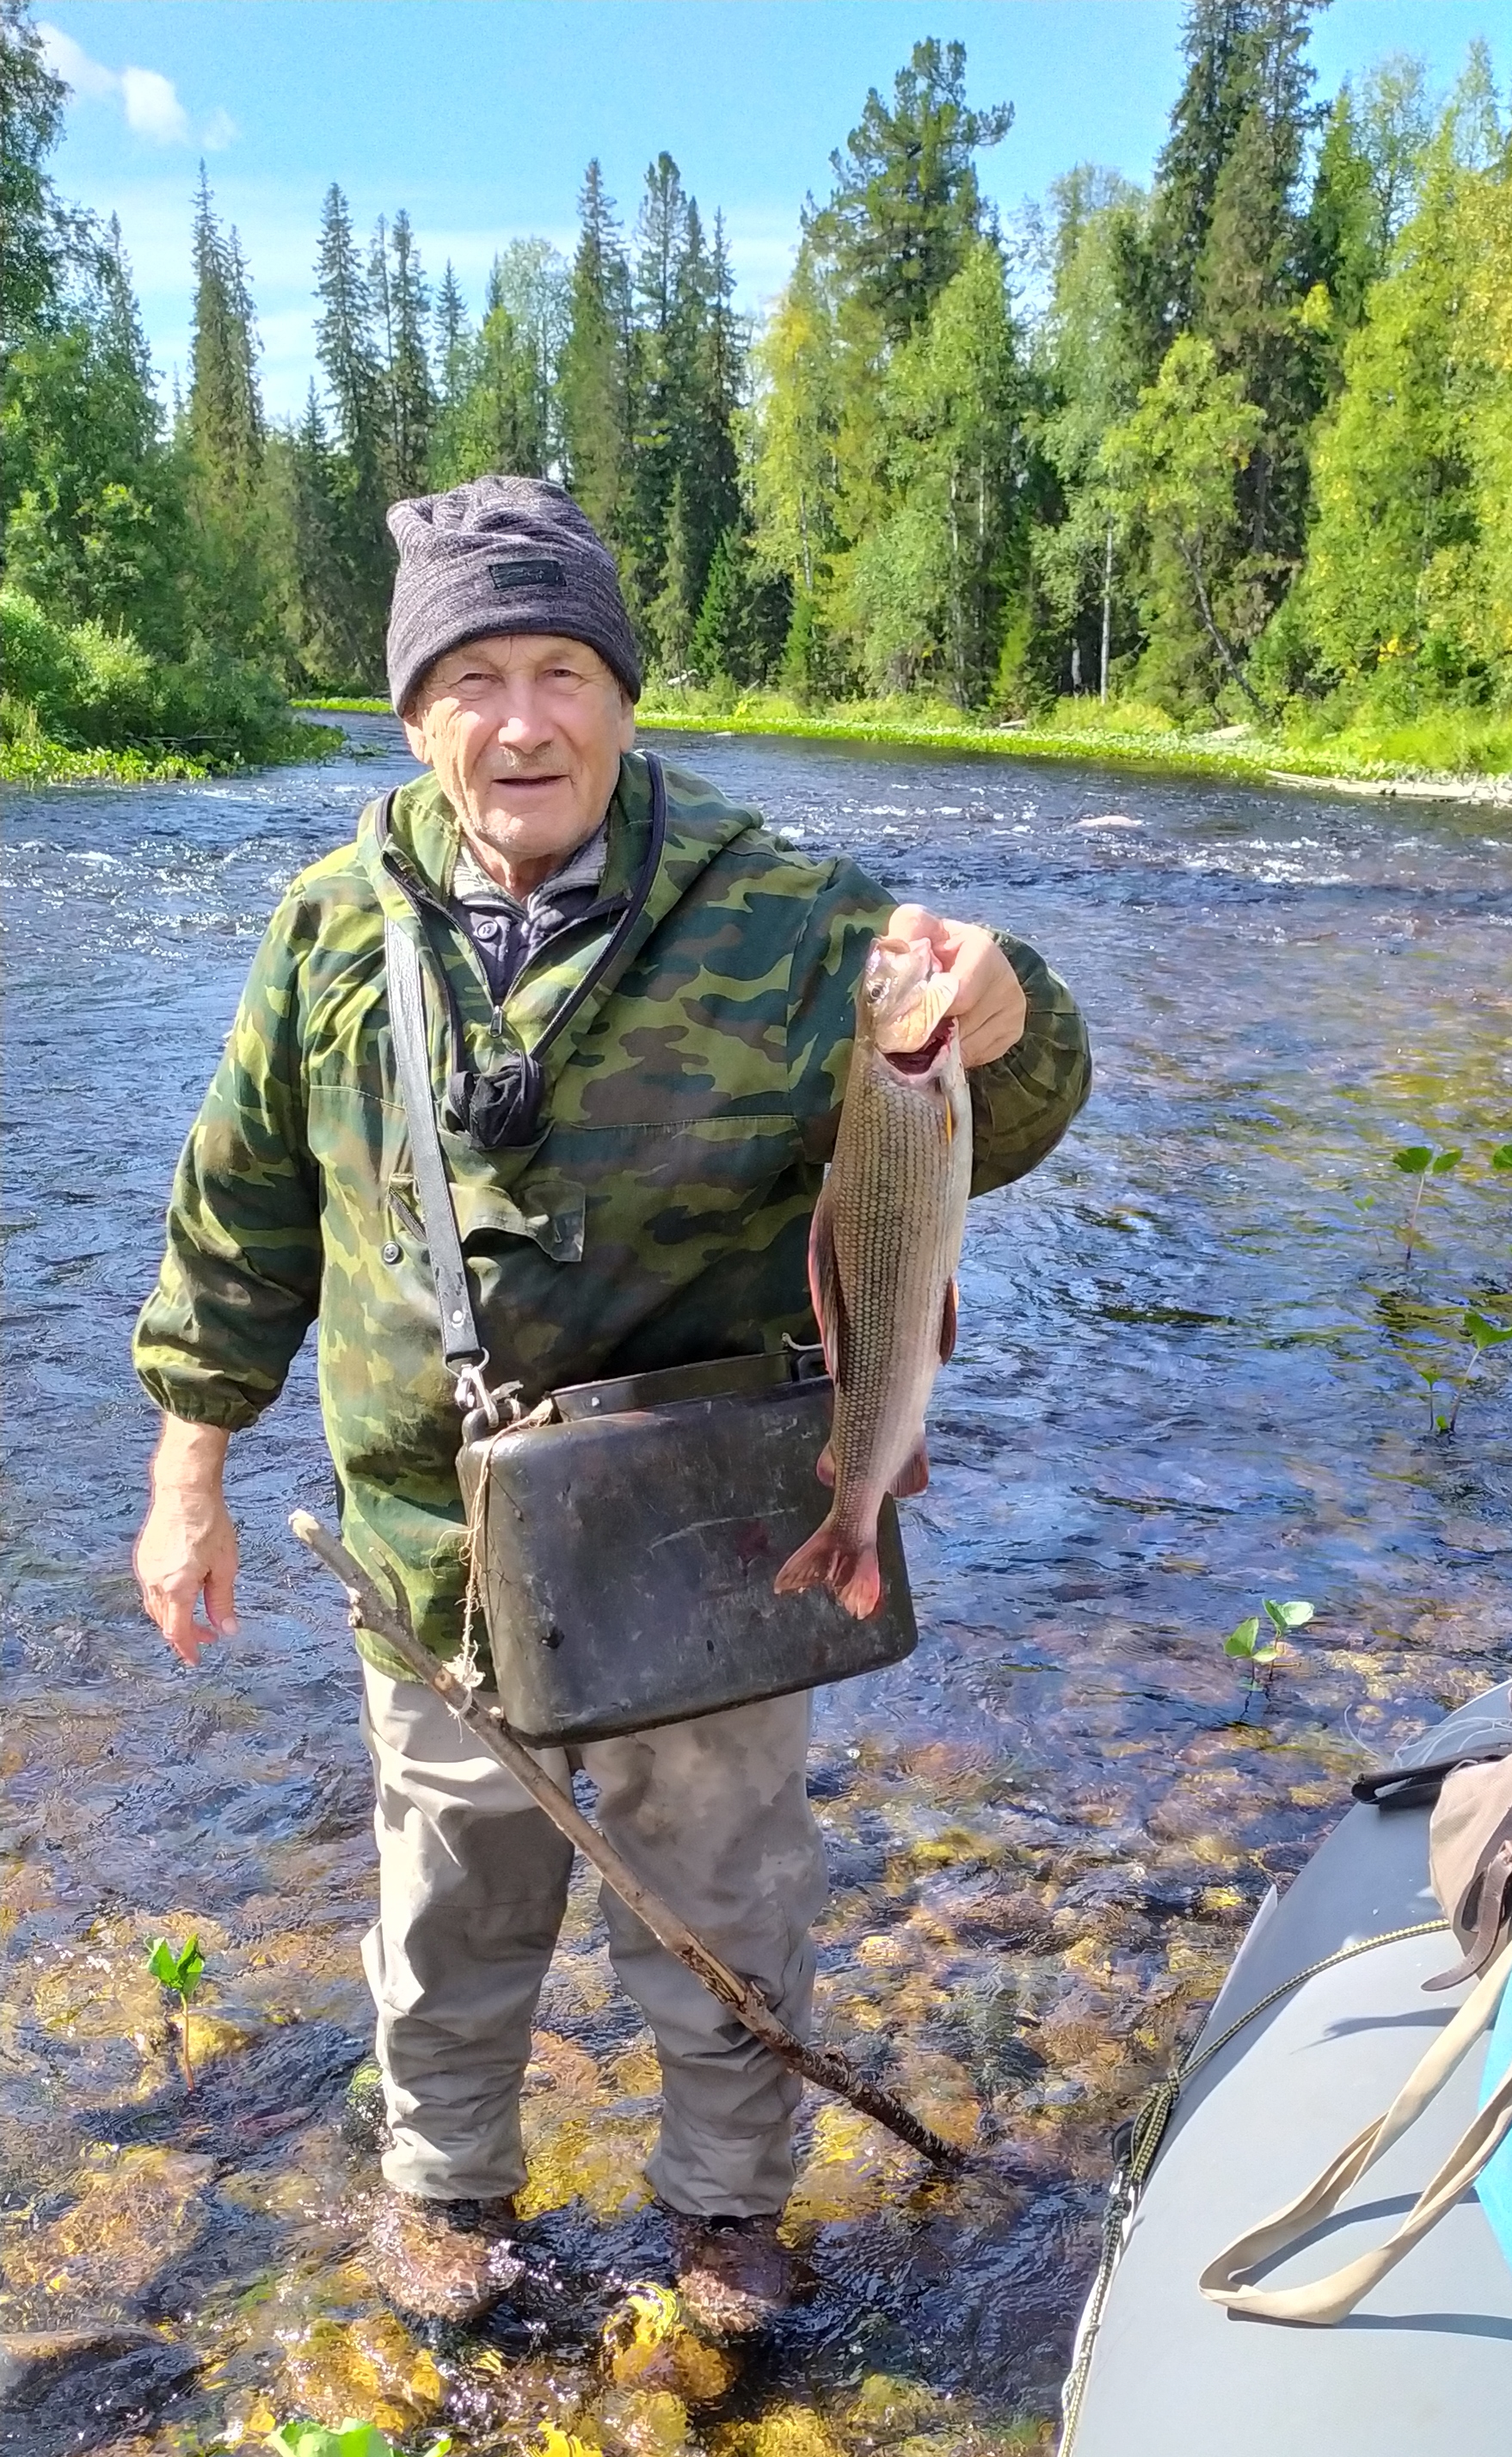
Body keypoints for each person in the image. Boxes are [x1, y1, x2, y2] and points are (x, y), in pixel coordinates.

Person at [131, 475, 1090, 2334]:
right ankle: (447, 2195)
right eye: (472, 677)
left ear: (624, 696)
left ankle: (726, 2213)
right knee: (444, 1907)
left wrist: (1003, 1009)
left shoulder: (789, 915)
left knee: (726, 1898)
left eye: (560, 667)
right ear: (413, 716)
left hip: (708, 1543)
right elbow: (236, 1217)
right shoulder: (330, 932)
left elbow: (1002, 1113)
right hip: (429, 1552)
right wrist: (191, 1471)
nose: (521, 721)